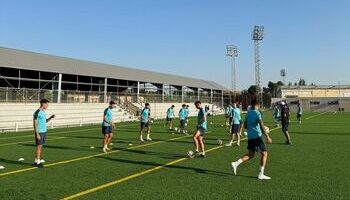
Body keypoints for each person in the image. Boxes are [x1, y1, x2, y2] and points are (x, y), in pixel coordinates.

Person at [231, 99, 272, 180]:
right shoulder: (257, 113)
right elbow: (261, 125)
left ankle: (236, 163)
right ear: (257, 105)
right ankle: (261, 174)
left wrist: (252, 126)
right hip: (257, 136)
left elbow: (245, 125)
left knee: (251, 154)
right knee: (264, 154)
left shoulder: (248, 113)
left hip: (250, 137)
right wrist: (267, 136)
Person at [33, 99, 55, 167]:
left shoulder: (43, 112)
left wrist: (50, 117)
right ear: (43, 104)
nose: (47, 106)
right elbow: (35, 124)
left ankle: (36, 161)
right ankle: (38, 162)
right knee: (39, 147)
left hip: (44, 131)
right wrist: (37, 134)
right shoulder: (37, 112)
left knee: (40, 147)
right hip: (40, 132)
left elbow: (44, 121)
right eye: (47, 104)